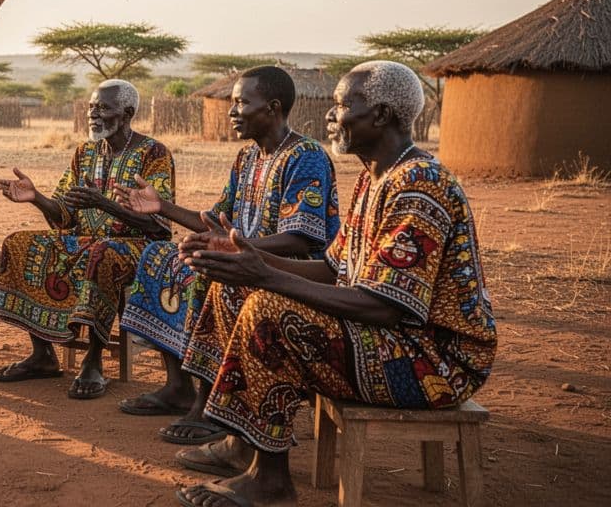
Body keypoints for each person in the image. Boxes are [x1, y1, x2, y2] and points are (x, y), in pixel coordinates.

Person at [170, 61, 496, 507]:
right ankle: (245, 445)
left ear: (380, 115)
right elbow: (331, 268)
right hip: (392, 339)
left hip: (435, 361)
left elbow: (385, 307)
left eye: (344, 105)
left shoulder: (420, 186)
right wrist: (246, 258)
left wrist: (266, 276)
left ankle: (272, 482)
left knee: (269, 312)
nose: (330, 114)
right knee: (235, 291)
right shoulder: (375, 177)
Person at [116, 66, 340, 449]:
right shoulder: (247, 158)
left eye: (241, 103)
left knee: (212, 270)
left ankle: (212, 404)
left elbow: (302, 238)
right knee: (160, 257)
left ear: (271, 107)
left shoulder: (305, 157)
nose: (232, 111)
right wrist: (161, 207)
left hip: (293, 271)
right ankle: (178, 386)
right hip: (243, 257)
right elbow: (215, 220)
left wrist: (236, 248)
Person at [0, 79, 176, 399]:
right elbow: (64, 213)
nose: (94, 114)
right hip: (86, 239)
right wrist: (36, 197)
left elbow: (158, 225)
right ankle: (42, 354)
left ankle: (94, 360)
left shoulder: (153, 152)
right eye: (91, 107)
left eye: (103, 107)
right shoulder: (85, 152)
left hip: (135, 245)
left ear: (128, 112)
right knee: (19, 243)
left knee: (101, 253)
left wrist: (103, 203)